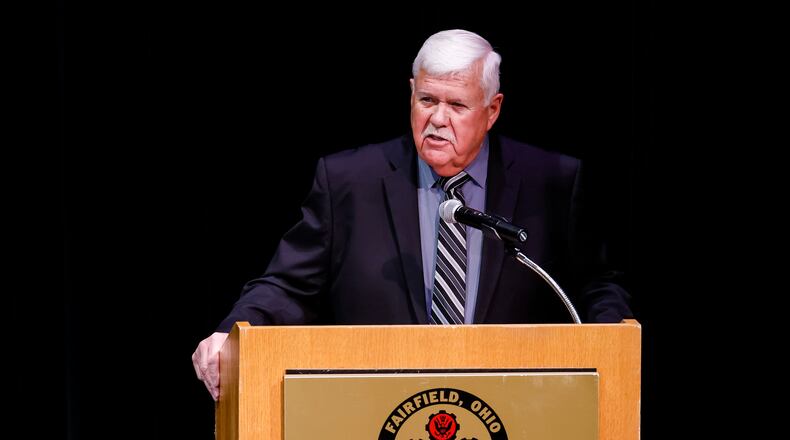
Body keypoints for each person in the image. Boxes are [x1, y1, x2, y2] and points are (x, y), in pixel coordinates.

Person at [192, 29, 632, 400]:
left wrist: (611, 341)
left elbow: (594, 285)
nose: (437, 119)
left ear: (492, 109)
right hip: (378, 406)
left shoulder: (550, 182)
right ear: (410, 93)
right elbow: (287, 285)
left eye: (457, 105)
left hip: (514, 405)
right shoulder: (349, 180)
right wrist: (231, 333)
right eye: (426, 100)